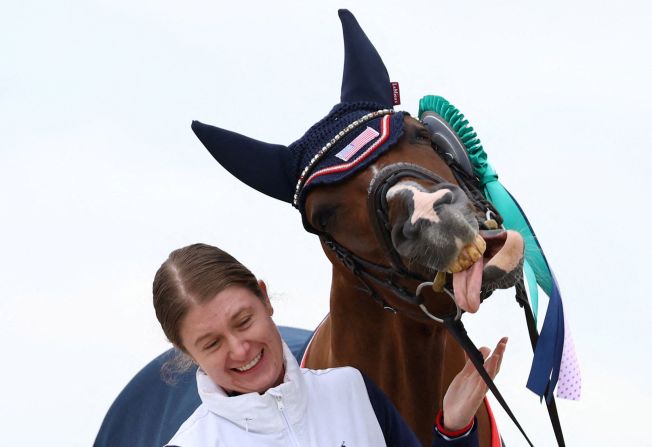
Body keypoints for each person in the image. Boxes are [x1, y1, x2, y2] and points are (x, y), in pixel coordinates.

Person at [153, 243, 507, 447]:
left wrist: (454, 429)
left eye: (243, 321)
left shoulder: (353, 390)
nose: (240, 350)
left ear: (264, 298)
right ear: (186, 352)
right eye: (212, 343)